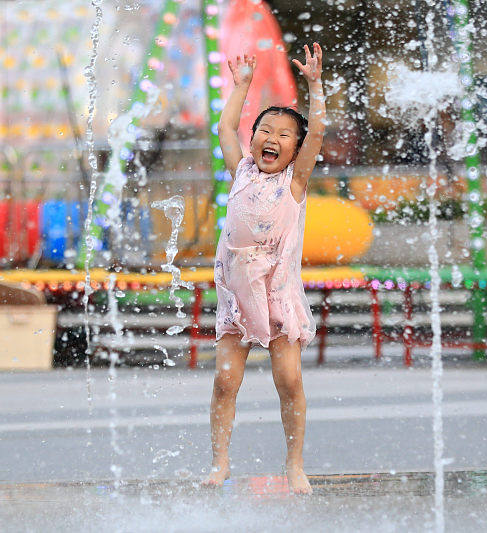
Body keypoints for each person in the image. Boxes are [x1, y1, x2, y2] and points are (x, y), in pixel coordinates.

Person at [202, 43, 325, 495]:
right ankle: (220, 462)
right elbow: (224, 126)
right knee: (225, 381)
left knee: (288, 380)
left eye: (284, 135)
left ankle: (295, 465)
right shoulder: (241, 172)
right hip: (237, 294)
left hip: (276, 292)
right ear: (253, 139)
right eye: (264, 130)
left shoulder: (295, 182)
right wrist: (242, 86)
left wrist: (314, 86)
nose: (271, 138)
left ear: (296, 150)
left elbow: (317, 132)